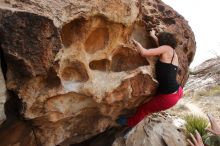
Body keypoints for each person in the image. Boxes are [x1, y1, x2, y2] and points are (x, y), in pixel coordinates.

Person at [117, 30, 183, 127]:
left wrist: (137, 44)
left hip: (168, 97)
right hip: (177, 91)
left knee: (145, 109)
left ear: (163, 42)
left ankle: (129, 123)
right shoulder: (173, 52)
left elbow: (144, 53)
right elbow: (160, 47)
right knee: (151, 105)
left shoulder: (165, 49)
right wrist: (153, 36)